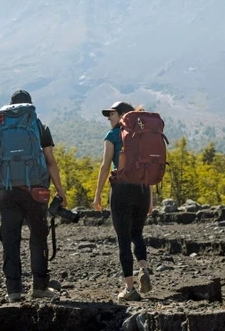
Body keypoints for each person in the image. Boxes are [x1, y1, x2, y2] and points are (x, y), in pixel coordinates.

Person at [0, 89, 67, 302]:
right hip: (35, 192)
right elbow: (50, 161)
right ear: (30, 107)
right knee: (38, 237)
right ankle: (40, 287)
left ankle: (13, 291)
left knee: (10, 240)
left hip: (6, 192)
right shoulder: (39, 127)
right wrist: (60, 190)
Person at [92, 101, 154, 301]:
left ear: (122, 116)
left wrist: (98, 194)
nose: (109, 118)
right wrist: (150, 198)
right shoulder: (143, 135)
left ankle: (130, 289)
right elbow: (147, 168)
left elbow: (104, 166)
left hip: (121, 190)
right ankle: (143, 267)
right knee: (137, 233)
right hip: (143, 190)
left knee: (123, 240)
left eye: (112, 114)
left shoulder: (112, 136)